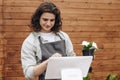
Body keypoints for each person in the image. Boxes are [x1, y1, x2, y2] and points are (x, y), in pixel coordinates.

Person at [21, 2, 76, 80]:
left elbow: (72, 58)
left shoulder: (63, 36)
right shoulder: (30, 41)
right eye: (45, 19)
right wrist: (49, 62)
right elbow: (29, 73)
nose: (48, 24)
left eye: (52, 20)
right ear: (38, 18)